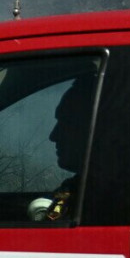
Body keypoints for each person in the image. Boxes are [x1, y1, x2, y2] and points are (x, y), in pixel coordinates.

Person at [30, 73, 97, 221]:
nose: (53, 136)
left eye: (66, 124)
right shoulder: (74, 189)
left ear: (94, 129)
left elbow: (50, 224)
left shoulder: (98, 198)